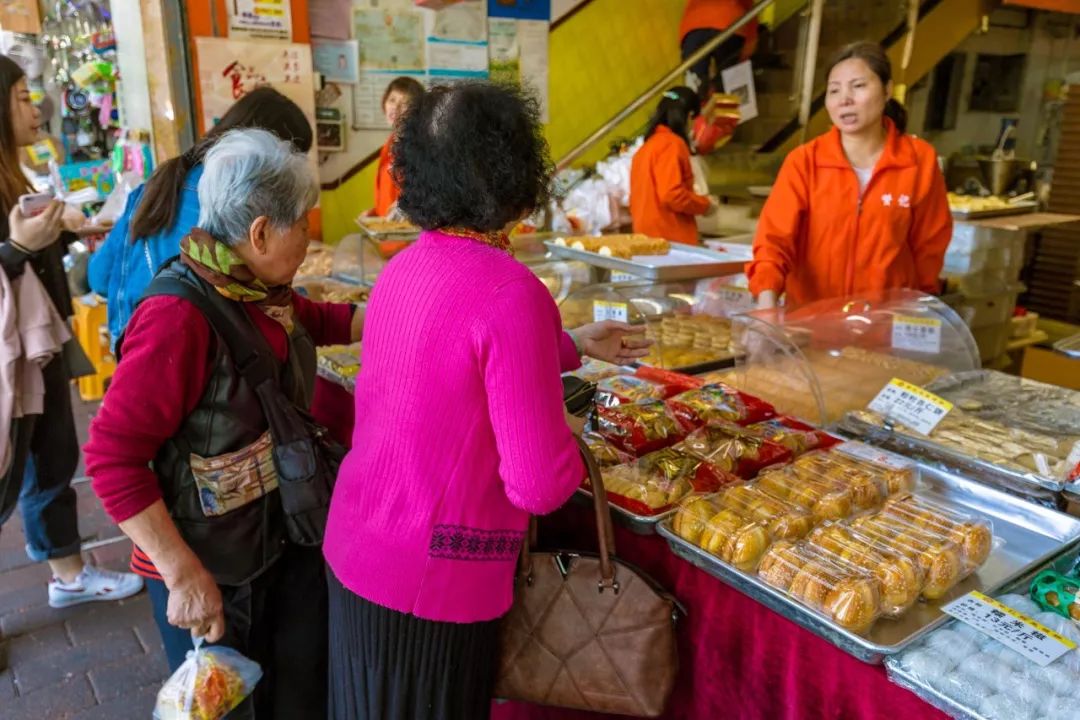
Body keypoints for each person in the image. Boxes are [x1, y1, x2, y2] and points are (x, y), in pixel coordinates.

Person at [323, 82, 649, 720]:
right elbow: (537, 487)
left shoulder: (402, 268)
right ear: (512, 170)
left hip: (357, 548)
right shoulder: (513, 291)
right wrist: (569, 429)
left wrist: (571, 344)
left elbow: (450, 359)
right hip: (434, 583)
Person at [84, 128, 363, 716]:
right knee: (231, 705)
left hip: (273, 540)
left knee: (297, 695)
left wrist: (413, 308)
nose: (309, 240)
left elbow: (315, 317)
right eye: (303, 225)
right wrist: (182, 574)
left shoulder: (251, 286)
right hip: (210, 565)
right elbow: (112, 457)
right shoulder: (177, 316)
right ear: (261, 232)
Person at [0, 53, 142, 631]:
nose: (36, 108)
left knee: (51, 457)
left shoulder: (14, 170)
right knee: (9, 471)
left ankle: (68, 576)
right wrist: (18, 250)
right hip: (13, 350)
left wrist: (57, 234)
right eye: (22, 98)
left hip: (43, 339)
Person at [89, 87, 313, 349]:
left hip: (129, 342)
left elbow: (99, 278)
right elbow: (252, 308)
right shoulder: (227, 204)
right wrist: (303, 298)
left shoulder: (155, 186)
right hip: (180, 356)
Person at [747, 42, 952, 309]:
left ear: (888, 90)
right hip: (812, 323)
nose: (844, 99)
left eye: (858, 86)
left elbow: (930, 245)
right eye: (834, 90)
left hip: (885, 324)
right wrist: (766, 302)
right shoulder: (805, 161)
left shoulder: (918, 159)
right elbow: (773, 241)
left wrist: (920, 305)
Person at [630, 86, 717, 246]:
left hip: (646, 238)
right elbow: (672, 195)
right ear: (690, 115)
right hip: (670, 241)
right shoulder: (672, 144)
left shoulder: (646, 148)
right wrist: (705, 204)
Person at [680, 0, 759, 99]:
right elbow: (748, 4)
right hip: (729, 22)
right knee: (729, 82)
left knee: (695, 85)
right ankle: (729, 104)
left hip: (694, 26)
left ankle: (696, 108)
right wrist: (752, 36)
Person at [372, 76, 424, 218]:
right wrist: (375, 213)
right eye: (392, 100)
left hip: (412, 236)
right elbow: (389, 192)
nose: (396, 107)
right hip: (389, 235)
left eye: (405, 102)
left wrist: (406, 207)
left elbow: (430, 192)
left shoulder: (421, 147)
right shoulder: (390, 144)